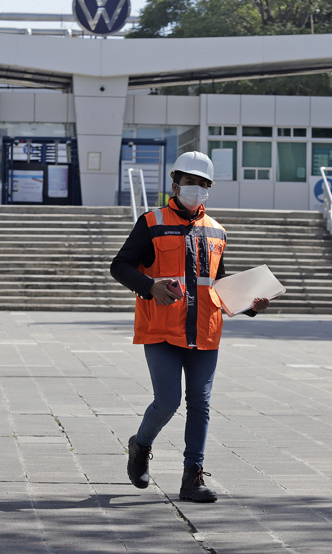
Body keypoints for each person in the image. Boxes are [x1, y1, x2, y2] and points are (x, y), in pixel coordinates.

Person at [110, 151, 269, 503]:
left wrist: (250, 306)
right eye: (189, 182)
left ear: (209, 188)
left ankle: (192, 477)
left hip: (205, 331)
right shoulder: (151, 222)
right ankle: (141, 445)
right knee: (167, 401)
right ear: (175, 184)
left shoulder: (217, 231)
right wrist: (149, 286)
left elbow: (218, 284)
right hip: (162, 329)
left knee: (200, 403)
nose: (195, 188)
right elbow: (119, 266)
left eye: (202, 183)